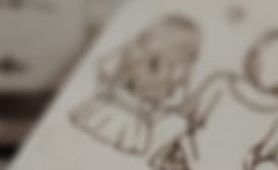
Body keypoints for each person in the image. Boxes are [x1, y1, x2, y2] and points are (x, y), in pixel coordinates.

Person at [149, 27, 278, 170]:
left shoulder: (221, 82)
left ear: (253, 57)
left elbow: (191, 113)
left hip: (184, 157)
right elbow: (271, 153)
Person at [70, 15, 200, 157]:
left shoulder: (163, 77)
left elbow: (103, 67)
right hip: (120, 122)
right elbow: (103, 67)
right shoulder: (139, 62)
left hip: (119, 120)